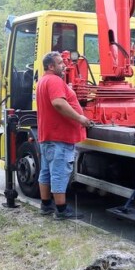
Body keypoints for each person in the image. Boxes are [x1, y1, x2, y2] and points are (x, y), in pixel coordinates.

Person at [35, 51, 93, 220]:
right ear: (50, 66)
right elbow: (58, 103)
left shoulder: (43, 80)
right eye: (60, 63)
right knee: (59, 172)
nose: (64, 65)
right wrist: (80, 118)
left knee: (45, 171)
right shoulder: (54, 81)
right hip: (60, 135)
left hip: (48, 135)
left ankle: (46, 205)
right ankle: (61, 210)